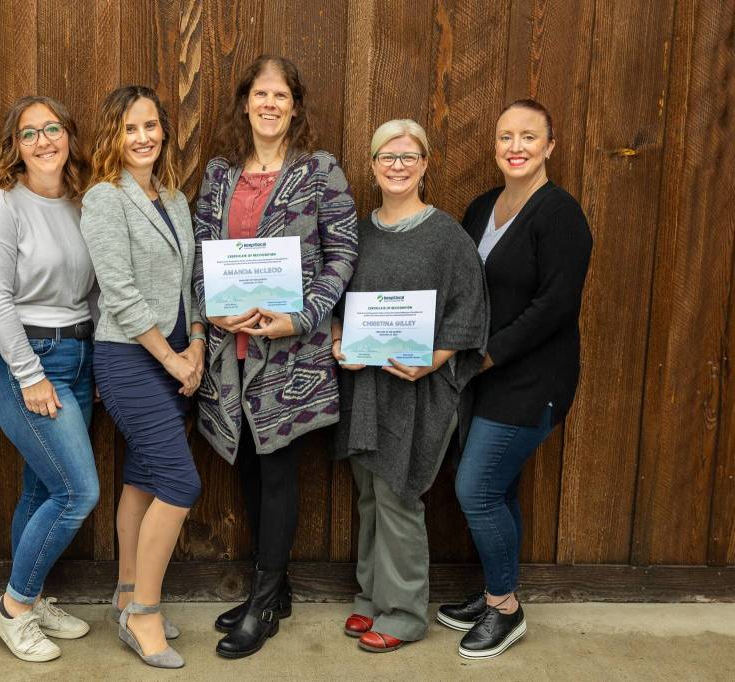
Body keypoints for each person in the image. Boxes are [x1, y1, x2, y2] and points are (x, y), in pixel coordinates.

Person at [192, 55, 358, 659]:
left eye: (280, 95)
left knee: (279, 467)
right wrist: (210, 307)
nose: (269, 104)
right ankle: (275, 588)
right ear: (245, 103)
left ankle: (263, 604)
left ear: (294, 105)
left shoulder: (320, 171)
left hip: (290, 351)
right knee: (246, 463)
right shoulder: (219, 174)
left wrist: (304, 316)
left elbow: (342, 252)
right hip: (230, 345)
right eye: (260, 93)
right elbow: (201, 249)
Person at [438, 99, 593, 659]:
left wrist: (486, 355)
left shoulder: (560, 214)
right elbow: (454, 279)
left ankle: (506, 610)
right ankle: (493, 592)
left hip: (533, 379)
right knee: (495, 487)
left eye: (529, 137)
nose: (516, 147)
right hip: (484, 375)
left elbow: (555, 306)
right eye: (506, 136)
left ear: (550, 146)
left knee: (475, 487)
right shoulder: (482, 207)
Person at [331, 119, 488, 653]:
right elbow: (335, 302)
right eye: (387, 156)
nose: (397, 165)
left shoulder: (447, 237)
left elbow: (470, 316)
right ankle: (372, 596)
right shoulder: (356, 232)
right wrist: (337, 341)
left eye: (409, 156)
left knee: (399, 492)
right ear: (372, 165)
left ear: (425, 163)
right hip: (364, 386)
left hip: (417, 387)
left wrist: (432, 360)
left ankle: (403, 613)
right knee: (370, 495)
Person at [79, 85, 205, 670]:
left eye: (151, 125)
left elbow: (189, 283)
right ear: (114, 136)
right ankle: (144, 614)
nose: (143, 138)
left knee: (144, 479)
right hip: (130, 358)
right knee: (180, 482)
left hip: (180, 354)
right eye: (131, 128)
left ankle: (127, 590)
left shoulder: (174, 197)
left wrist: (198, 342)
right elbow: (121, 293)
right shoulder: (105, 199)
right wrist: (172, 357)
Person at [0, 96, 98, 662]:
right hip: (28, 359)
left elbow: (92, 289)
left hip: (78, 355)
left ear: (68, 136)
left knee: (43, 488)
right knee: (78, 492)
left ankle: (35, 593)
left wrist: (95, 363)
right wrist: (29, 375)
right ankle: (14, 607)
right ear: (15, 146)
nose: (44, 140)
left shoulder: (80, 202)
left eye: (53, 128)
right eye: (29, 133)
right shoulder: (3, 205)